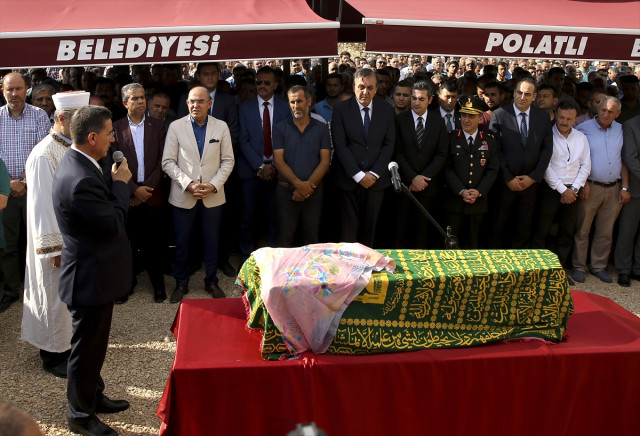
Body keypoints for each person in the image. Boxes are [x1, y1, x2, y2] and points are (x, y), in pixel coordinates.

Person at [52, 105, 132, 436]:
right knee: (85, 351)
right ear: (93, 137)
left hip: (93, 273)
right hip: (89, 278)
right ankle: (80, 415)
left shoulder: (80, 162)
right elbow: (112, 223)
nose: (114, 140)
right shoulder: (81, 178)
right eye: (110, 134)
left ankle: (94, 396)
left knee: (94, 346)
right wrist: (121, 184)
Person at [21, 91, 89, 380]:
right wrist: (55, 248)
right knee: (52, 296)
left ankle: (67, 346)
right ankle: (52, 354)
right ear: (61, 118)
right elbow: (42, 207)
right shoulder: (43, 154)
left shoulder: (71, 148)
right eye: (80, 121)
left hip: (75, 240)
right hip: (55, 245)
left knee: (69, 301)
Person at [162, 86, 234, 303]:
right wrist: (188, 184)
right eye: (192, 101)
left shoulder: (221, 126)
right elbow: (168, 162)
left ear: (209, 104)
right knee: (182, 242)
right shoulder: (176, 127)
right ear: (187, 103)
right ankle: (181, 283)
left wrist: (213, 185)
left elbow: (228, 160)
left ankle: (211, 281)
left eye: (201, 101)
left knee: (212, 242)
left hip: (213, 195)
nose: (196, 105)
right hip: (184, 195)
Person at [112, 83, 167, 303]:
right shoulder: (116, 128)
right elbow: (114, 164)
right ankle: (128, 284)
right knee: (129, 243)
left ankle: (158, 285)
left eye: (143, 97)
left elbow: (163, 160)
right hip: (128, 196)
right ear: (125, 102)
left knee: (155, 243)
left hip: (153, 193)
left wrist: (146, 190)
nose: (141, 101)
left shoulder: (158, 126)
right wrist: (134, 190)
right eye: (135, 98)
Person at [0, 73, 50, 313]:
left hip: (33, 190)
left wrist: (23, 181)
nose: (14, 94)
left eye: (19, 89)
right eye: (10, 89)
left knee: (36, 243)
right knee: (8, 245)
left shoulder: (39, 116)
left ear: (27, 89)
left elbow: (44, 154)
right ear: (3, 91)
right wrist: (9, 183)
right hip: (4, 192)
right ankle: (11, 290)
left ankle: (37, 290)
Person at [330, 68, 395, 247]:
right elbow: (340, 145)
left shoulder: (386, 109)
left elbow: (389, 144)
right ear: (353, 87)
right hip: (348, 182)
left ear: (376, 89)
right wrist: (358, 175)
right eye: (361, 87)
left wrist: (374, 173)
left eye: (370, 87)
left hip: (376, 182)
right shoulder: (341, 109)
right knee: (348, 234)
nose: (365, 91)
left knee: (370, 233)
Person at [488, 77, 553, 248]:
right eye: (519, 92)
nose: (522, 97)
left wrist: (533, 177)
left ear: (534, 97)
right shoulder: (500, 115)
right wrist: (508, 178)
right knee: (498, 225)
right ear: (514, 93)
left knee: (523, 227)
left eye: (527, 94)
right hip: (504, 184)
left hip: (530, 185)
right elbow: (495, 151)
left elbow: (547, 149)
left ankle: (520, 262)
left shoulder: (543, 117)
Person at [572, 96, 629, 283]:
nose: (605, 114)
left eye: (610, 111)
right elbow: (576, 159)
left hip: (614, 188)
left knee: (606, 231)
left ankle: (598, 266)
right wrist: (583, 183)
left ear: (618, 114)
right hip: (590, 186)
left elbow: (624, 160)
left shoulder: (621, 130)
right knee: (583, 229)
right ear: (598, 109)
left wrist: (625, 186)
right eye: (603, 109)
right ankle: (579, 266)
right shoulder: (583, 129)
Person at [237, 66, 290, 263]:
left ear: (275, 85)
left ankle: (274, 258)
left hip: (278, 170)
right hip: (251, 172)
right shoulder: (244, 107)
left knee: (275, 216)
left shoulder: (286, 107)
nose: (262, 85)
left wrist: (274, 165)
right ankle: (246, 257)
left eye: (267, 82)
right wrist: (260, 166)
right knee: (247, 217)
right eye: (258, 82)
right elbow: (242, 140)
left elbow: (288, 140)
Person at [531, 100, 591, 274]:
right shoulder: (547, 135)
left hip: (573, 191)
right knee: (542, 229)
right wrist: (562, 190)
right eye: (561, 117)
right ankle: (538, 269)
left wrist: (574, 189)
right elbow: (545, 166)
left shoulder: (581, 138)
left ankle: (560, 270)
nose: (564, 122)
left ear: (576, 118)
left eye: (569, 119)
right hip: (550, 190)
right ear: (556, 115)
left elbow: (585, 166)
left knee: (567, 230)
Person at [273, 86, 330, 247]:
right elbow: (279, 161)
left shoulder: (321, 128)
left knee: (311, 240)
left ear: (309, 102)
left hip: (314, 193)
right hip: (286, 193)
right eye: (292, 102)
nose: (296, 105)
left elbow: (325, 161)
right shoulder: (280, 128)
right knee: (285, 239)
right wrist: (300, 186)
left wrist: (307, 189)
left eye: (299, 101)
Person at [394, 80, 448, 248]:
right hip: (405, 186)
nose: (416, 102)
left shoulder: (438, 122)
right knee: (400, 230)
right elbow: (397, 152)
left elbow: (442, 153)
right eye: (414, 98)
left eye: (421, 99)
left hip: (427, 186)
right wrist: (413, 177)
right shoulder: (399, 120)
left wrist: (423, 178)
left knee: (423, 233)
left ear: (430, 100)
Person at [444, 96, 499, 248]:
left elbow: (492, 170)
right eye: (464, 115)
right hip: (454, 202)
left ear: (480, 118)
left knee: (473, 243)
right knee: (451, 243)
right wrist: (461, 191)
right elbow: (447, 168)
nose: (466, 120)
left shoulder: (488, 141)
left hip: (477, 203)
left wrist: (479, 191)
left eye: (471, 116)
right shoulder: (451, 138)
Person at [615, 114, 640, 286]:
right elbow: (630, 158)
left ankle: (638, 268)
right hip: (634, 187)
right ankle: (623, 269)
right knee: (627, 231)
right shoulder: (631, 125)